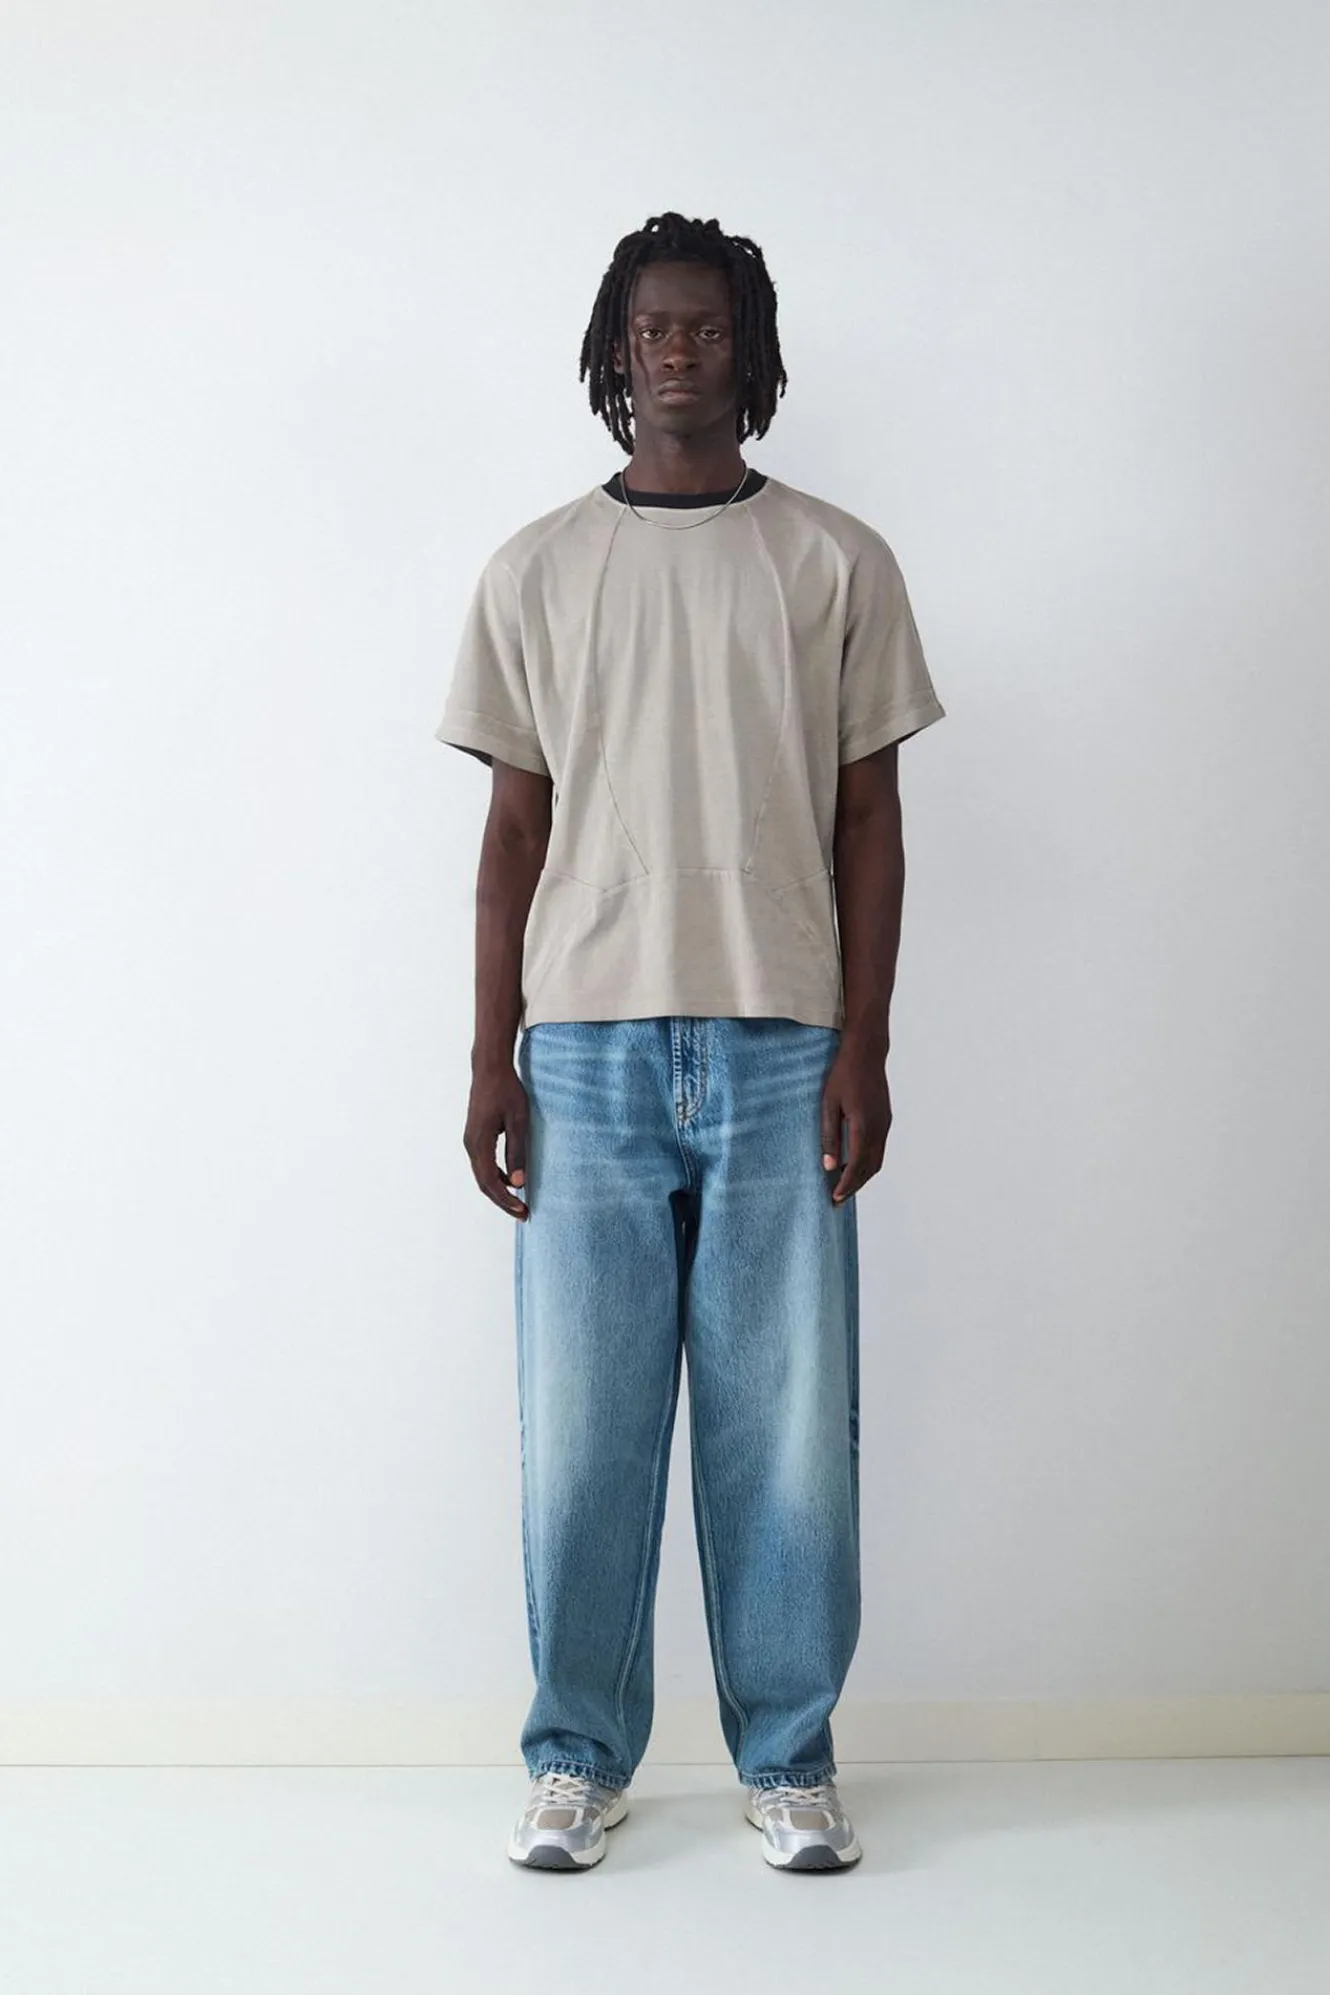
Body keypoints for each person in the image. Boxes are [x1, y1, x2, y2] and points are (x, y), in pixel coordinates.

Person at [435, 211, 945, 1872]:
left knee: (783, 1422)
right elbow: (513, 834)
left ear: (751, 348)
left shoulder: (834, 561)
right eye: (650, 329)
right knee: (583, 1424)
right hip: (583, 1046)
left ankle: (787, 1757)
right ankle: (576, 1756)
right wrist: (489, 1055)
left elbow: (870, 820)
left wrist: (865, 1044)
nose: (676, 352)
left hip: (784, 1038)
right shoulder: (534, 568)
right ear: (613, 350)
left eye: (705, 327)